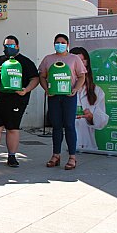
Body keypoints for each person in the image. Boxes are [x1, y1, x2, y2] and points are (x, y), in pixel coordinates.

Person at [0, 35, 39, 167]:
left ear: (17, 46)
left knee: (12, 128)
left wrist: (26, 90)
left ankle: (12, 156)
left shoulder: (26, 62)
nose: (8, 48)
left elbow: (35, 79)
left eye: (11, 46)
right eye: (6, 46)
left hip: (17, 101)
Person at [39, 33, 86, 170]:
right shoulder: (48, 59)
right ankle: (56, 155)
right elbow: (42, 76)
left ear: (67, 44)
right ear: (54, 44)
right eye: (57, 42)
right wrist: (46, 90)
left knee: (70, 125)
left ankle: (72, 157)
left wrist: (75, 89)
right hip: (54, 97)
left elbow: (82, 76)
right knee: (56, 126)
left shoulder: (74, 59)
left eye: (63, 42)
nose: (60, 44)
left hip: (69, 97)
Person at [69, 47, 109, 151]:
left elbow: (102, 121)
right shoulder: (63, 88)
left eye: (82, 61)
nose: (79, 65)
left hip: (89, 146)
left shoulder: (96, 91)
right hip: (67, 149)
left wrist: (91, 117)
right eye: (75, 61)